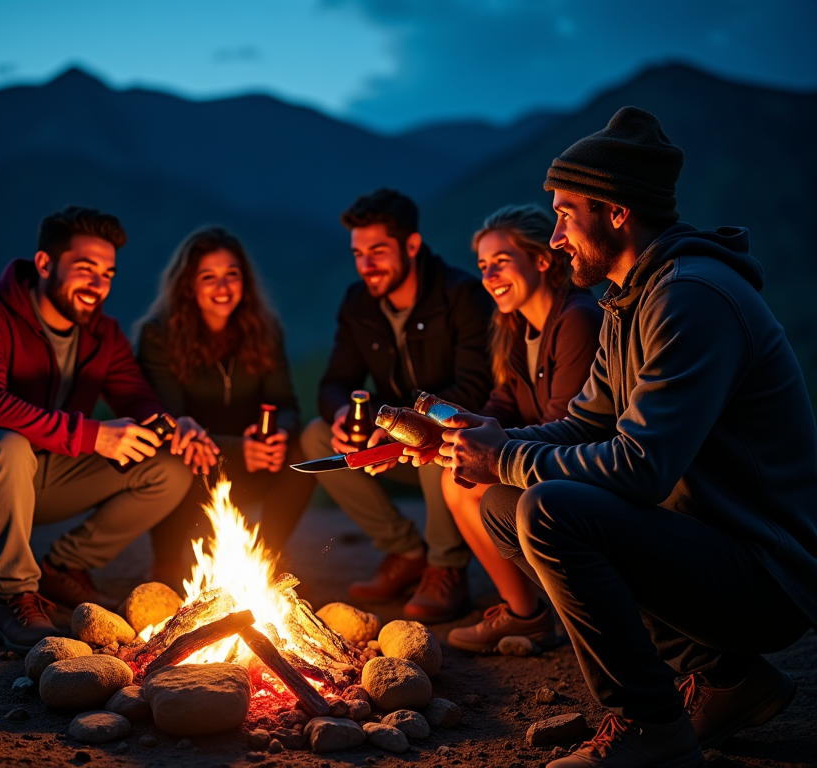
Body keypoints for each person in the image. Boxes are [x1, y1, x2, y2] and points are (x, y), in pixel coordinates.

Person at [433, 107, 817, 766]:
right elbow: (587, 422)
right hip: (707, 544)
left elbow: (642, 468)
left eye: (564, 214)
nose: (555, 237)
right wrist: (497, 442)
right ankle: (730, 680)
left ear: (615, 212)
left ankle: (650, 724)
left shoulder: (691, 298)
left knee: (550, 510)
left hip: (767, 572)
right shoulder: (627, 301)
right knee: (502, 503)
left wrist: (513, 458)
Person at [0, 206, 217, 652]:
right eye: (85, 269)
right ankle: (11, 596)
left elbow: (138, 400)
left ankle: (63, 569)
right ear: (45, 264)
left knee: (168, 465)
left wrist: (174, 426)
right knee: (7, 444)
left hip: (43, 473)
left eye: (107, 273)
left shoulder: (102, 334)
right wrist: (93, 435)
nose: (98, 285)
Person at [301, 188, 494, 622]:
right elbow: (336, 381)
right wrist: (342, 416)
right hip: (389, 437)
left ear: (411, 245)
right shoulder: (358, 304)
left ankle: (446, 568)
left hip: (451, 437)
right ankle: (405, 552)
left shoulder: (461, 295)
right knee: (316, 435)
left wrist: (404, 423)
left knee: (441, 433)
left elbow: (474, 387)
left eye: (378, 251)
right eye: (358, 253)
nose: (366, 265)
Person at [437, 205, 602, 654]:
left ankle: (528, 615)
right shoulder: (514, 328)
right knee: (455, 473)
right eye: (483, 267)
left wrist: (487, 449)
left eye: (501, 262)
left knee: (470, 486)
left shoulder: (578, 320)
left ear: (543, 260)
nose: (489, 276)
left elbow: (567, 428)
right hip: (541, 454)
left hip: (582, 466)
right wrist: (445, 431)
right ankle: (524, 613)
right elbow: (502, 405)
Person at [135, 227, 315, 581]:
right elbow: (169, 422)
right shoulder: (158, 335)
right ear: (188, 285)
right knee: (172, 455)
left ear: (244, 281)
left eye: (231, 275)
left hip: (255, 460)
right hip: (195, 462)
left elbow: (286, 403)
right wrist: (236, 450)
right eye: (208, 277)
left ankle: (267, 557)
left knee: (302, 451)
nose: (222, 288)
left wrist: (278, 434)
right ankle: (167, 559)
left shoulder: (264, 330)